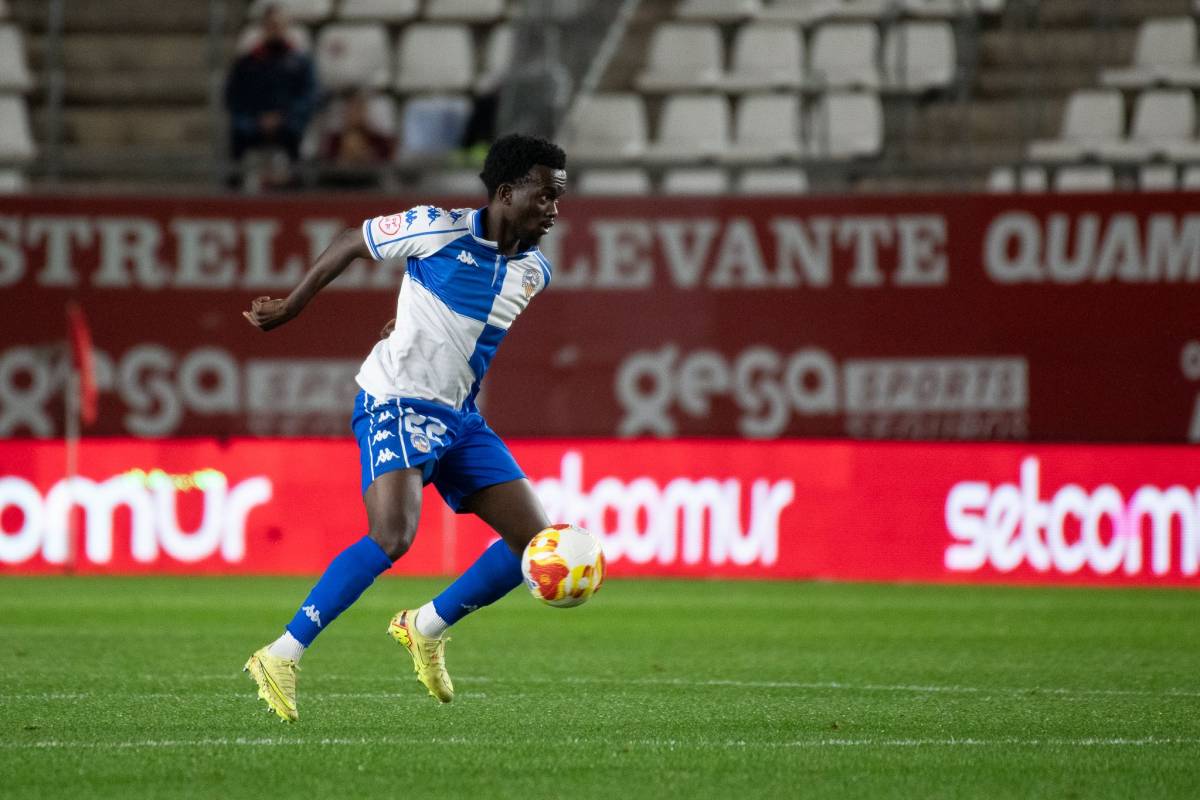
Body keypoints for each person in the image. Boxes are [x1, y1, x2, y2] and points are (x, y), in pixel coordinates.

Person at [242, 133, 568, 722]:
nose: (553, 210)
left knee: (534, 545)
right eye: (544, 196)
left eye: (558, 199)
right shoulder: (436, 228)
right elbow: (351, 241)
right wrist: (290, 307)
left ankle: (425, 626)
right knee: (393, 536)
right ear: (504, 192)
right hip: (396, 400)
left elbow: (458, 334)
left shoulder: (534, 273)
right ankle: (280, 654)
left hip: (459, 418)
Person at [224, 4, 317, 187]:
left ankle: (297, 190)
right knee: (237, 135)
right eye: (271, 25)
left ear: (286, 27)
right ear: (263, 28)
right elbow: (234, 98)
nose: (275, 29)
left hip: (289, 124)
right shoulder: (247, 63)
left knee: (296, 139)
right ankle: (234, 190)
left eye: (279, 25)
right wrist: (258, 120)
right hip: (254, 124)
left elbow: (309, 96)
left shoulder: (300, 63)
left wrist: (284, 118)